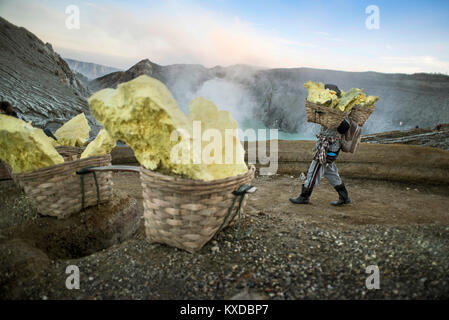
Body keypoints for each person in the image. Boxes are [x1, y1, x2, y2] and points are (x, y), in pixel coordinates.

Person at [289, 84, 352, 206]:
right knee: (330, 171)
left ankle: (304, 196)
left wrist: (334, 118)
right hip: (329, 147)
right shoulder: (331, 110)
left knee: (314, 170)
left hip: (329, 148)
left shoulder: (339, 112)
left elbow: (345, 127)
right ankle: (344, 197)